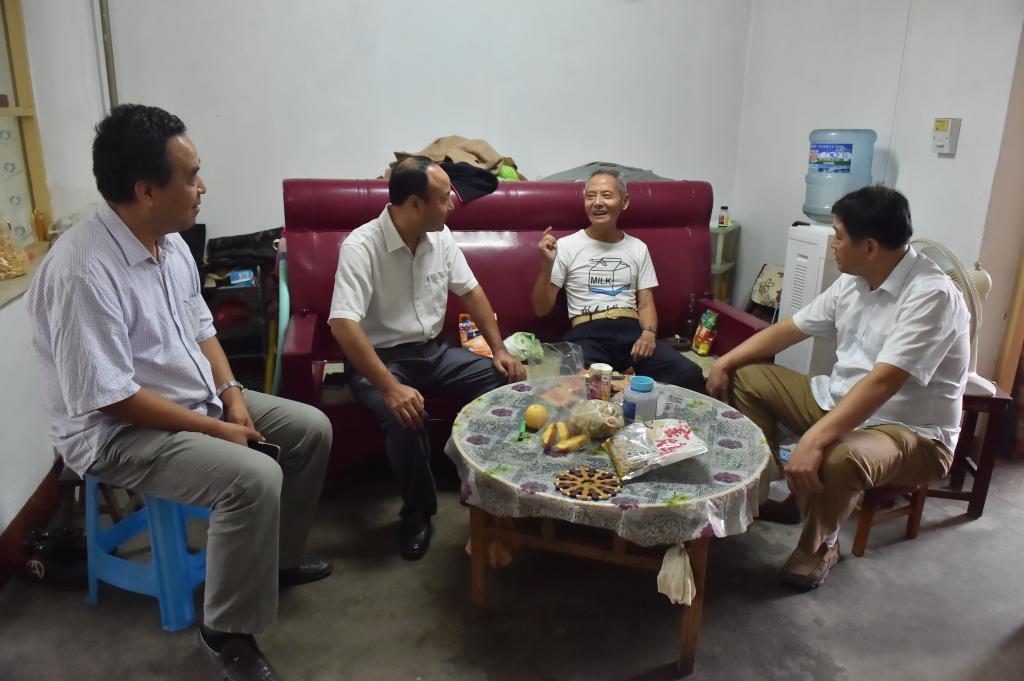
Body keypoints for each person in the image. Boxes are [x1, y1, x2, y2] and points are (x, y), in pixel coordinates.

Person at [28, 104, 332, 681]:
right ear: (146, 191)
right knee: (252, 477)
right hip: (116, 432)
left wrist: (233, 396)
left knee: (309, 430)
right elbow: (111, 397)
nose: (202, 187)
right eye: (191, 177)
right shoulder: (82, 272)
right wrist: (218, 429)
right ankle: (225, 632)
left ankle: (273, 564)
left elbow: (201, 328)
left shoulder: (167, 244)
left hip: (192, 399)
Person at [706, 185, 970, 590]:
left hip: (910, 432)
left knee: (841, 457)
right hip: (838, 401)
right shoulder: (856, 279)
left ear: (870, 246)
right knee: (745, 376)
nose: (833, 244)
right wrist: (725, 361)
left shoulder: (932, 295)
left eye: (839, 235)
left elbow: (883, 383)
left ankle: (820, 545)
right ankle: (777, 492)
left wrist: (813, 439)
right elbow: (790, 329)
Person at [328, 156, 525, 561]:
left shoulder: (441, 237)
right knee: (403, 413)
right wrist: (390, 388)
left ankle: (487, 486)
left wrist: (500, 350)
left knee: (503, 382)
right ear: (416, 204)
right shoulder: (361, 246)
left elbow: (472, 292)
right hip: (381, 361)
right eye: (444, 198)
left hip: (433, 352)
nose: (452, 204)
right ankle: (418, 512)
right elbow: (343, 325)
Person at [531, 169, 704, 392]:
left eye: (606, 195)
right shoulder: (566, 246)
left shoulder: (638, 247)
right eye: (590, 196)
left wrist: (649, 334)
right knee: (573, 384)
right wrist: (546, 265)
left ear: (625, 201)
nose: (597, 202)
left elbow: (646, 303)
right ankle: (619, 388)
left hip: (631, 332)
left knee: (689, 373)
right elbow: (541, 308)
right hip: (587, 333)